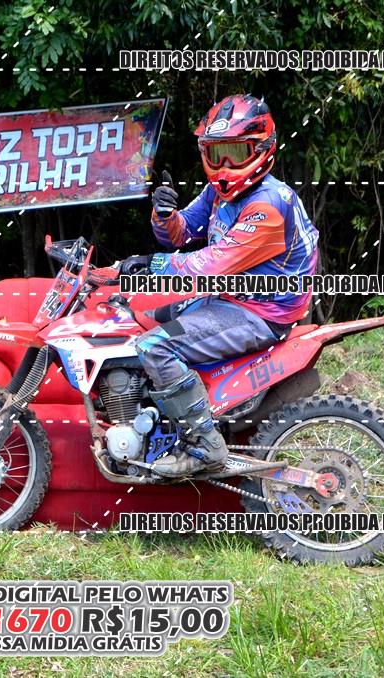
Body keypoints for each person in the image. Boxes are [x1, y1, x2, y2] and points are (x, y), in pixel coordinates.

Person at [118, 94, 319, 477]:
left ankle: (204, 445)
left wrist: (151, 265)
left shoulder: (268, 205)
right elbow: (181, 234)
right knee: (138, 318)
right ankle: (164, 420)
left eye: (235, 152)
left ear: (261, 149)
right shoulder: (221, 193)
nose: (224, 164)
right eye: (216, 153)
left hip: (257, 313)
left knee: (154, 346)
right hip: (228, 300)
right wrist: (164, 215)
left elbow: (211, 264)